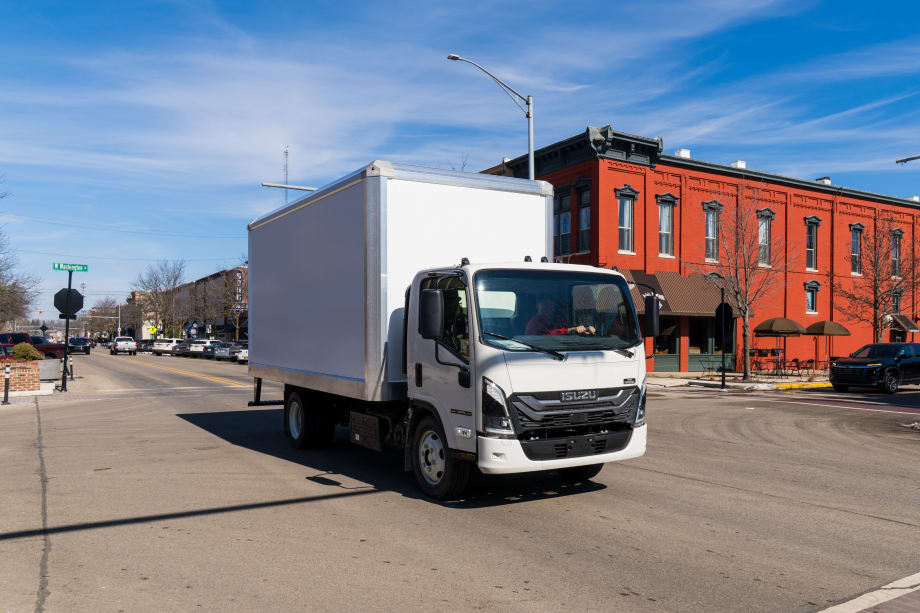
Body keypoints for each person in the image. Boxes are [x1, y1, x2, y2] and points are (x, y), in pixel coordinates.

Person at [525, 295, 596, 336]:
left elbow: (571, 329)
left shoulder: (558, 319)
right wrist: (568, 330)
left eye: (550, 305)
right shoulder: (534, 323)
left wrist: (585, 329)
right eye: (545, 305)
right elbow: (546, 337)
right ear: (537, 306)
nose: (548, 308)